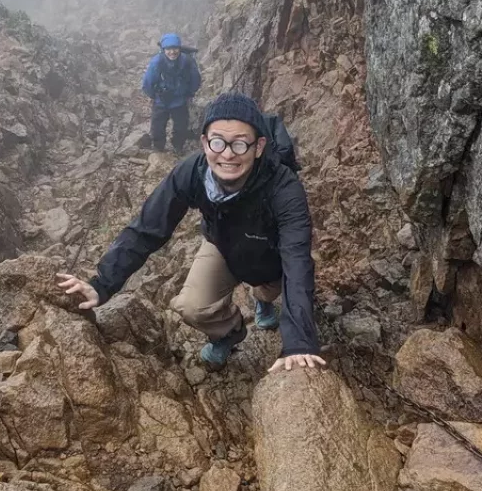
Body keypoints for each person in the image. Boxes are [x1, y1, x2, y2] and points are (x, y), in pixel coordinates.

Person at [58, 92, 325, 373]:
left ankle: (262, 299)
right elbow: (147, 228)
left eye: (240, 143)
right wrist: (102, 285)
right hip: (223, 245)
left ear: (258, 147)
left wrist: (299, 343)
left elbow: (297, 261)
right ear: (204, 142)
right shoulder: (192, 173)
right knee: (191, 306)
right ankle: (229, 333)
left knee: (267, 289)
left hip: (272, 256)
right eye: (218, 142)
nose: (227, 154)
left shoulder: (284, 187)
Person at [141, 33, 201, 152]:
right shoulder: (157, 62)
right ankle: (159, 147)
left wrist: (190, 93)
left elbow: (195, 79)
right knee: (158, 127)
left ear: (179, 48)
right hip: (161, 100)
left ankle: (177, 147)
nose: (172, 52)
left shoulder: (187, 61)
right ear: (163, 49)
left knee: (181, 127)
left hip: (179, 100)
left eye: (175, 48)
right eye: (168, 49)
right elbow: (148, 82)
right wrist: (153, 95)